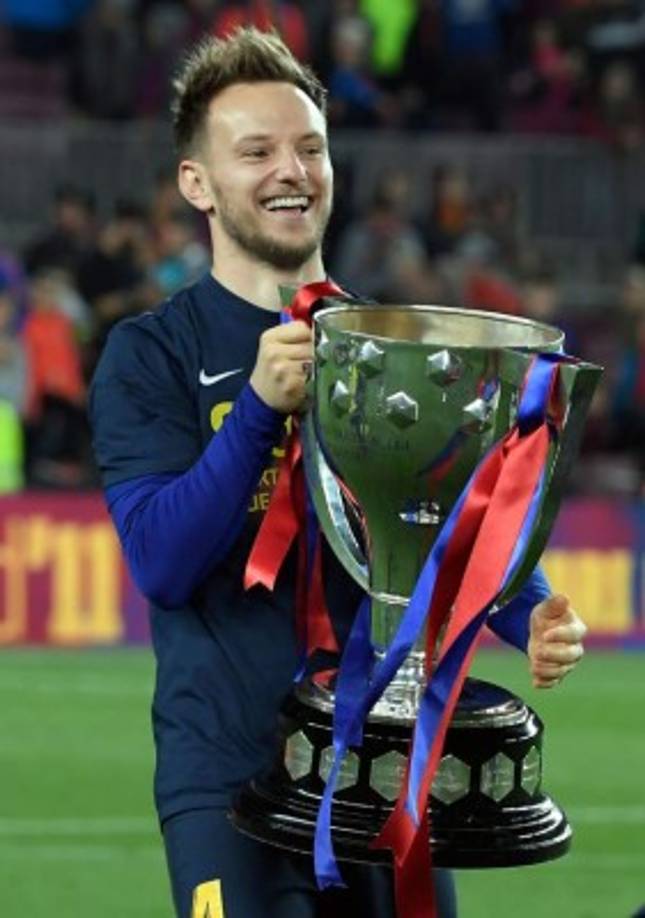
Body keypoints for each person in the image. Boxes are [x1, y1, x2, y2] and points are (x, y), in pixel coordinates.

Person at [89, 27, 587, 918]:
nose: (291, 169)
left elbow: (457, 526)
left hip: (392, 774)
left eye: (309, 147)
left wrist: (531, 607)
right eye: (257, 151)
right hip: (232, 782)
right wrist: (255, 412)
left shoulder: (401, 348)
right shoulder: (148, 354)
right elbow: (161, 565)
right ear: (195, 183)